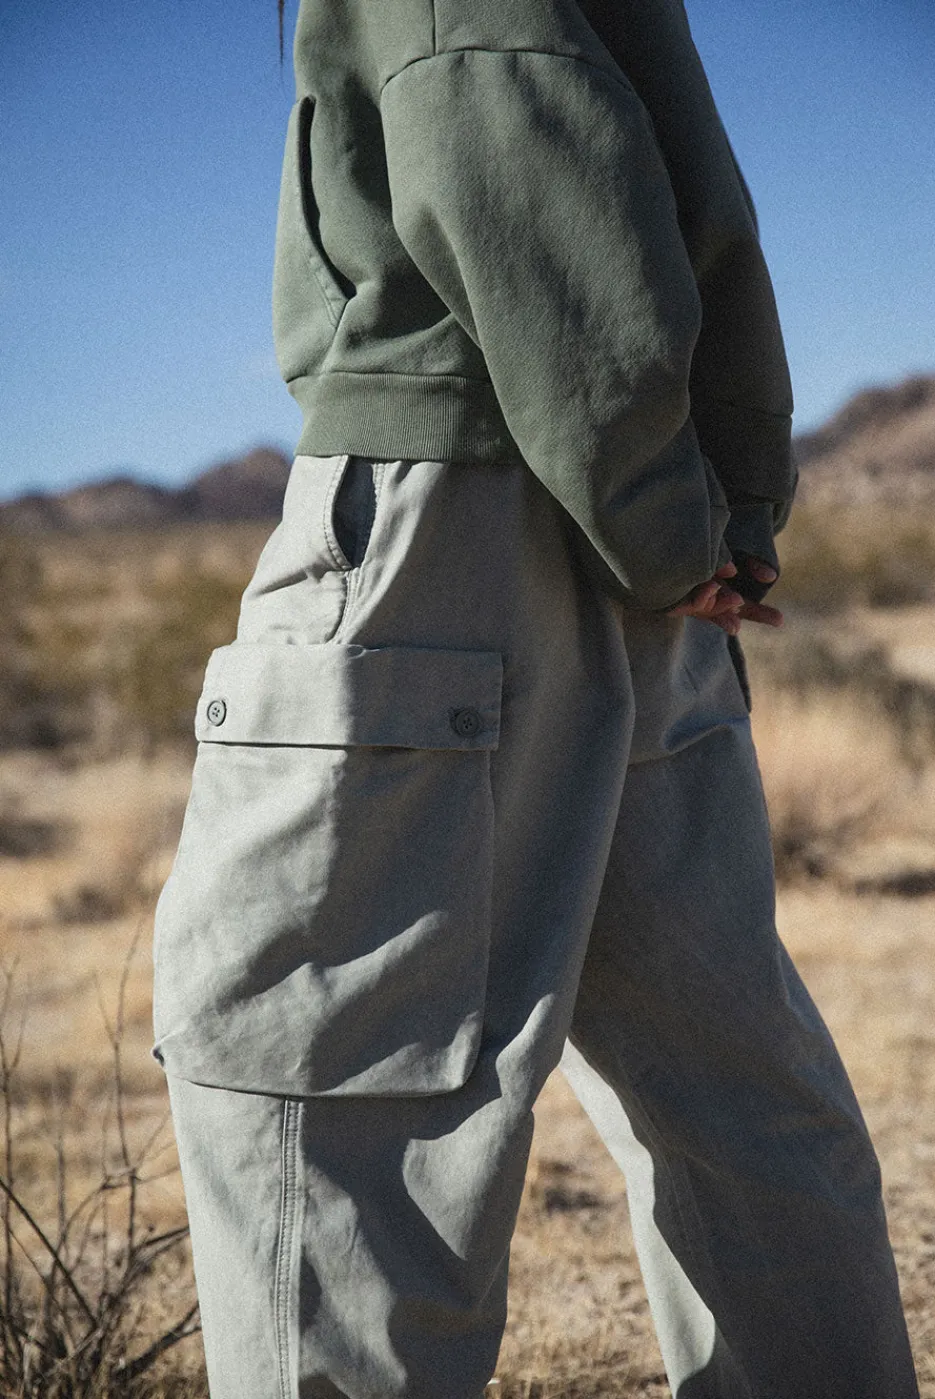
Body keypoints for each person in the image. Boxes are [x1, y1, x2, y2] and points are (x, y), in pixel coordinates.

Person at [151, 1, 920, 1395]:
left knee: (321, 1110)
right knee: (733, 1094)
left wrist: (658, 514)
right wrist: (704, 513)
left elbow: (498, 112)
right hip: (646, 547)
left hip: (457, 540)